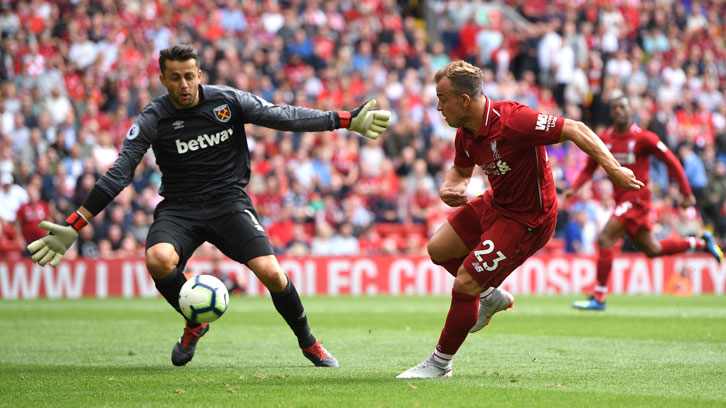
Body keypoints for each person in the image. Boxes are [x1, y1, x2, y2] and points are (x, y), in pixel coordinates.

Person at [26, 44, 390, 368]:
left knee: (272, 274)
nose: (183, 85)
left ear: (199, 74)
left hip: (229, 202)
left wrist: (343, 119)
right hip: (180, 208)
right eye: (175, 78)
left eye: (189, 76)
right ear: (163, 80)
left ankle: (309, 342)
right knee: (158, 259)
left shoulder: (227, 101)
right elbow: (120, 172)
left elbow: (282, 116)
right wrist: (75, 223)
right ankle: (195, 322)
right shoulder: (153, 118)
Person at [396, 60, 643, 379]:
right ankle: (489, 295)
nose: (438, 106)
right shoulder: (466, 132)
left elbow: (575, 129)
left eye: (442, 98)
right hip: (497, 203)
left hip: (528, 218)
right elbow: (460, 169)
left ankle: (440, 363)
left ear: (464, 100)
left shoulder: (514, 120)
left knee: (467, 281)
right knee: (438, 249)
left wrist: (614, 170)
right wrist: (451, 187)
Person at [565, 95, 723, 311]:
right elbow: (589, 168)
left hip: (638, 199)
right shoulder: (605, 139)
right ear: (611, 113)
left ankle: (599, 298)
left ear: (631, 111)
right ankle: (702, 242)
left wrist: (686, 192)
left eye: (623, 106)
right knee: (653, 249)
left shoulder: (644, 138)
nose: (619, 111)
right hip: (622, 200)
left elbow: (672, 161)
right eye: (615, 108)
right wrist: (573, 189)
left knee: (605, 238)